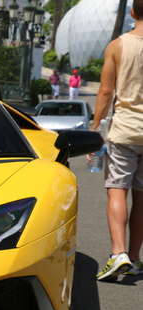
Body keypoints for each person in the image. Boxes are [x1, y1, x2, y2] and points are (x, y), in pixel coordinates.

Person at [91, 0, 143, 281]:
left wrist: (95, 127)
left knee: (117, 189)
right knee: (142, 196)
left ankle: (118, 253)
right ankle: (134, 259)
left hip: (125, 130)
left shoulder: (118, 45)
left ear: (132, 12)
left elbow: (105, 93)